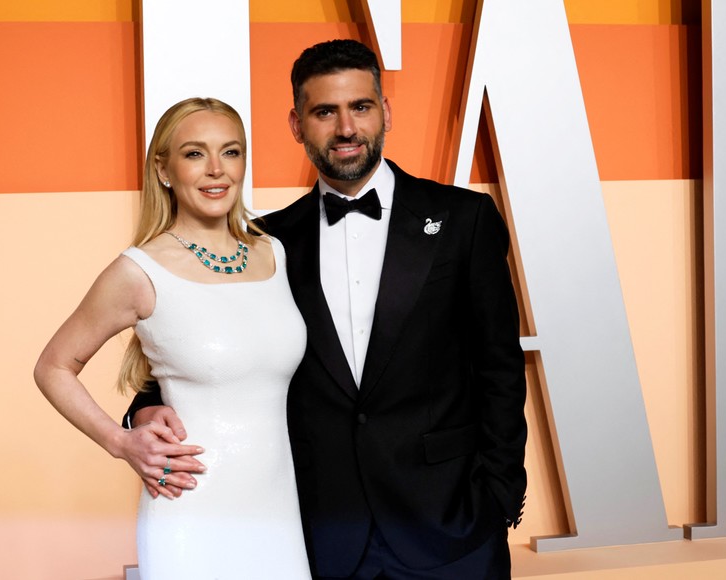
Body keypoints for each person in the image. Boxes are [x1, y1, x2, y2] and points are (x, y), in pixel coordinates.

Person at [128, 40, 527, 579]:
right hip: (322, 530)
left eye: (360, 107)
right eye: (324, 112)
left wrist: (500, 494)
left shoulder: (465, 218)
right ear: (297, 125)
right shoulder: (265, 244)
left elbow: (500, 365)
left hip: (452, 524)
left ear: (385, 112)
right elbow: (207, 339)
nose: (345, 128)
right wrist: (147, 408)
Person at [34, 97, 311, 578]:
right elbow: (53, 367)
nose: (216, 170)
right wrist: (120, 442)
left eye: (230, 151)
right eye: (194, 153)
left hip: (279, 515)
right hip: (190, 509)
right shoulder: (139, 272)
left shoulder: (275, 254)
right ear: (163, 169)